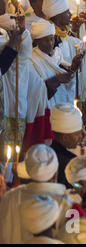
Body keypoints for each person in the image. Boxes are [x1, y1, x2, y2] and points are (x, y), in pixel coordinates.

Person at [0, 14, 53, 155]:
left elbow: (24, 46)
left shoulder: (23, 64)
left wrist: (21, 32)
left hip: (17, 108)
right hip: (7, 109)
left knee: (12, 157)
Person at [0, 144, 73, 244]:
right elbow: (74, 239)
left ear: (28, 170)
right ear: (55, 172)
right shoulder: (70, 204)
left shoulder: (10, 197)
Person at [28, 19, 80, 108]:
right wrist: (56, 80)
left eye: (51, 39)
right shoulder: (31, 60)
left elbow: (66, 76)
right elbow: (35, 90)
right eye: (45, 40)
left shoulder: (57, 53)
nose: (50, 43)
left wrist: (73, 68)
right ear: (37, 42)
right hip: (47, 107)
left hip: (62, 103)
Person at [50, 103, 86, 187]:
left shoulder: (50, 149)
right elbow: (78, 188)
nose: (81, 136)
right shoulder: (67, 164)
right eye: (77, 134)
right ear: (65, 137)